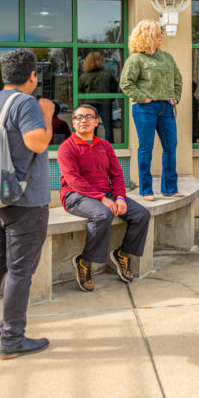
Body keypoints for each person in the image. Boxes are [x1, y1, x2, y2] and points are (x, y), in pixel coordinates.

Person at [0, 48, 54, 360]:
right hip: (24, 202)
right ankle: (12, 340)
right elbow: (37, 142)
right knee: (20, 272)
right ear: (32, 76)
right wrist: (46, 113)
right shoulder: (26, 103)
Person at [57, 104, 151, 292]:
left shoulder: (105, 145)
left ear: (96, 121)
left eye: (89, 117)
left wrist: (120, 197)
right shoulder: (66, 147)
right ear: (73, 123)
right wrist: (102, 199)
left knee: (141, 214)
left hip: (104, 194)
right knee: (102, 215)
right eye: (79, 117)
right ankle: (85, 261)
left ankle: (122, 254)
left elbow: (116, 174)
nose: (83, 120)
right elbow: (74, 180)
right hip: (75, 195)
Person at [119, 20, 183, 201]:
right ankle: (146, 190)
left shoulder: (167, 57)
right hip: (145, 108)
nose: (161, 36)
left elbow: (178, 79)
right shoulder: (136, 59)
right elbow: (126, 84)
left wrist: (175, 98)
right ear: (147, 37)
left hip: (166, 108)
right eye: (157, 34)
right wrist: (144, 98)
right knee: (146, 148)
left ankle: (170, 188)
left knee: (171, 147)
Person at [78, 51, 119, 143]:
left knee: (91, 126)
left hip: (89, 104)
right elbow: (115, 88)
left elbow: (79, 91)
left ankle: (92, 146)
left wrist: (84, 102)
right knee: (108, 126)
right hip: (105, 102)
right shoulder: (108, 74)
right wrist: (110, 99)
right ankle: (109, 146)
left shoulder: (84, 76)